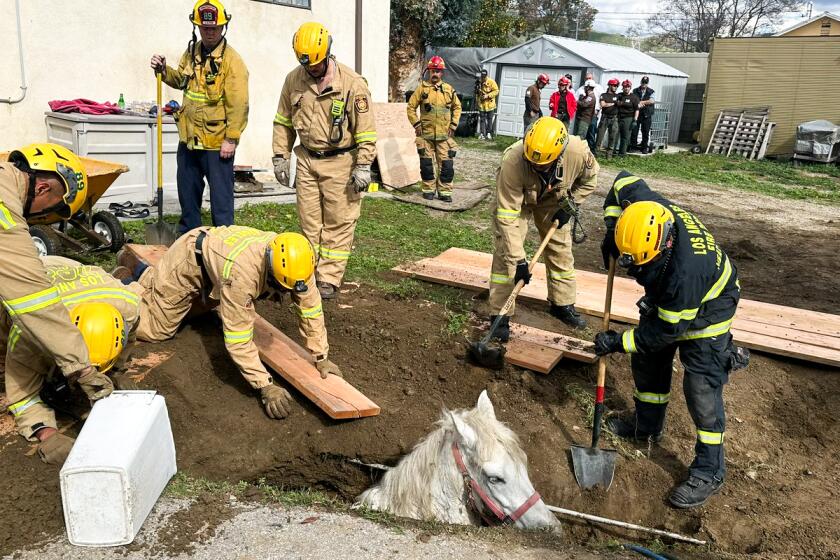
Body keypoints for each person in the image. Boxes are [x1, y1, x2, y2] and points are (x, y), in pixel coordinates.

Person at [596, 171, 747, 509]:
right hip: (675, 301)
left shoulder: (682, 276)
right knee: (648, 364)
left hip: (711, 306)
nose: (633, 273)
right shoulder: (648, 208)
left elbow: (663, 333)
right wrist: (611, 229)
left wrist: (617, 343)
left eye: (639, 266)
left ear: (662, 248)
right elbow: (621, 181)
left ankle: (710, 469)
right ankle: (646, 428)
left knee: (701, 388)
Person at [125, 226, 340, 420]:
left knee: (197, 311)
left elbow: (310, 309)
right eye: (283, 288)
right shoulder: (241, 274)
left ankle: (155, 280)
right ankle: (127, 279)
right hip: (190, 261)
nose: (287, 293)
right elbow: (238, 339)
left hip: (215, 265)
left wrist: (321, 356)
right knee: (158, 328)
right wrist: (265, 385)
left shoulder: (298, 261)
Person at [0, 143, 109, 415]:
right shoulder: (5, 212)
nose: (44, 217)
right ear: (42, 189)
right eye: (55, 208)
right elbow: (33, 297)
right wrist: (81, 367)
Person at [272, 22, 377, 300]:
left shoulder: (352, 84)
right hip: (307, 158)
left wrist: (364, 165)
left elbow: (366, 131)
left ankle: (329, 277)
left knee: (338, 222)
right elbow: (283, 122)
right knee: (309, 222)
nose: (312, 69)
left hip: (341, 161)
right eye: (307, 64)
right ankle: (308, 271)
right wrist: (280, 156)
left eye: (316, 64)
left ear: (328, 52)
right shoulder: (294, 79)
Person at [2, 256, 140, 465]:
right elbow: (22, 396)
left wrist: (117, 371)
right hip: (18, 279)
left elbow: (128, 338)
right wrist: (46, 433)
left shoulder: (128, 308)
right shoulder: (29, 332)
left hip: (68, 270)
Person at [488, 117, 599, 337]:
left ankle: (562, 304)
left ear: (559, 154)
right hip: (519, 199)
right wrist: (520, 260)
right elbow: (508, 216)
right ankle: (500, 314)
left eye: (543, 164)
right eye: (533, 163)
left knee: (560, 249)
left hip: (553, 198)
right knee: (506, 253)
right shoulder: (513, 160)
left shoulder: (577, 152)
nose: (536, 166)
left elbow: (590, 179)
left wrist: (572, 204)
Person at [150, 0, 249, 234]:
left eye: (214, 28)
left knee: (221, 202)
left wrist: (231, 139)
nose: (209, 33)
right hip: (189, 140)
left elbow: (239, 104)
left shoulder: (233, 62)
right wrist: (163, 71)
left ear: (223, 28)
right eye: (205, 28)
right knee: (188, 197)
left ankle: (223, 245)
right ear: (197, 27)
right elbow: (181, 80)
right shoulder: (192, 52)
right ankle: (188, 242)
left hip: (217, 144)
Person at [406, 56, 463, 203]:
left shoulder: (449, 90)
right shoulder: (421, 89)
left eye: (438, 71)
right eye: (433, 71)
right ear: (429, 72)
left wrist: (453, 125)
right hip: (426, 136)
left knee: (447, 166)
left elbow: (457, 107)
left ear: (441, 73)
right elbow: (411, 107)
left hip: (444, 136)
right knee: (426, 165)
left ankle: (444, 192)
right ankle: (428, 190)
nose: (435, 74)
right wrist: (416, 124)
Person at [576, 72, 603, 151]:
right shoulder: (582, 91)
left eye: (589, 78)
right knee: (584, 134)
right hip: (585, 116)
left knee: (587, 134)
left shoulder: (591, 96)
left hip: (589, 116)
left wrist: (577, 101)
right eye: (587, 78)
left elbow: (584, 104)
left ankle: (589, 151)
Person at [596, 78, 620, 159]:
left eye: (616, 85)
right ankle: (596, 154)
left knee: (612, 137)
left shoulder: (618, 96)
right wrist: (614, 103)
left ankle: (609, 156)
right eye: (613, 85)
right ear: (609, 85)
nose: (615, 87)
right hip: (605, 117)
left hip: (614, 118)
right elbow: (603, 104)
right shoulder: (604, 95)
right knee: (600, 136)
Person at [631, 76, 656, 153]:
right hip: (637, 114)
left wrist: (642, 102)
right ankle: (633, 147)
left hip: (647, 114)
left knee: (645, 132)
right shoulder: (635, 90)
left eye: (645, 83)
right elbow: (633, 99)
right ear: (640, 82)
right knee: (634, 131)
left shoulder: (651, 91)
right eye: (643, 82)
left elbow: (652, 101)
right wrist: (639, 103)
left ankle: (644, 147)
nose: (644, 84)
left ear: (647, 83)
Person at [617, 79, 640, 156]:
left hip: (628, 118)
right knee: (615, 135)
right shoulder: (619, 95)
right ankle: (613, 152)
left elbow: (637, 109)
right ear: (622, 87)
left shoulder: (634, 97)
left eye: (628, 87)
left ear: (630, 87)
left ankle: (622, 153)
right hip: (618, 117)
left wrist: (635, 120)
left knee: (625, 137)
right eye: (624, 87)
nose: (626, 88)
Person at [476, 68, 499, 141]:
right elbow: (476, 93)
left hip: (490, 105)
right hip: (482, 104)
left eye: (484, 76)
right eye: (482, 76)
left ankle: (489, 133)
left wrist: (488, 95)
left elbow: (496, 91)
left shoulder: (491, 82)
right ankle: (482, 134)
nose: (483, 78)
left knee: (489, 119)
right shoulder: (479, 82)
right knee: (482, 120)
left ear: (487, 76)